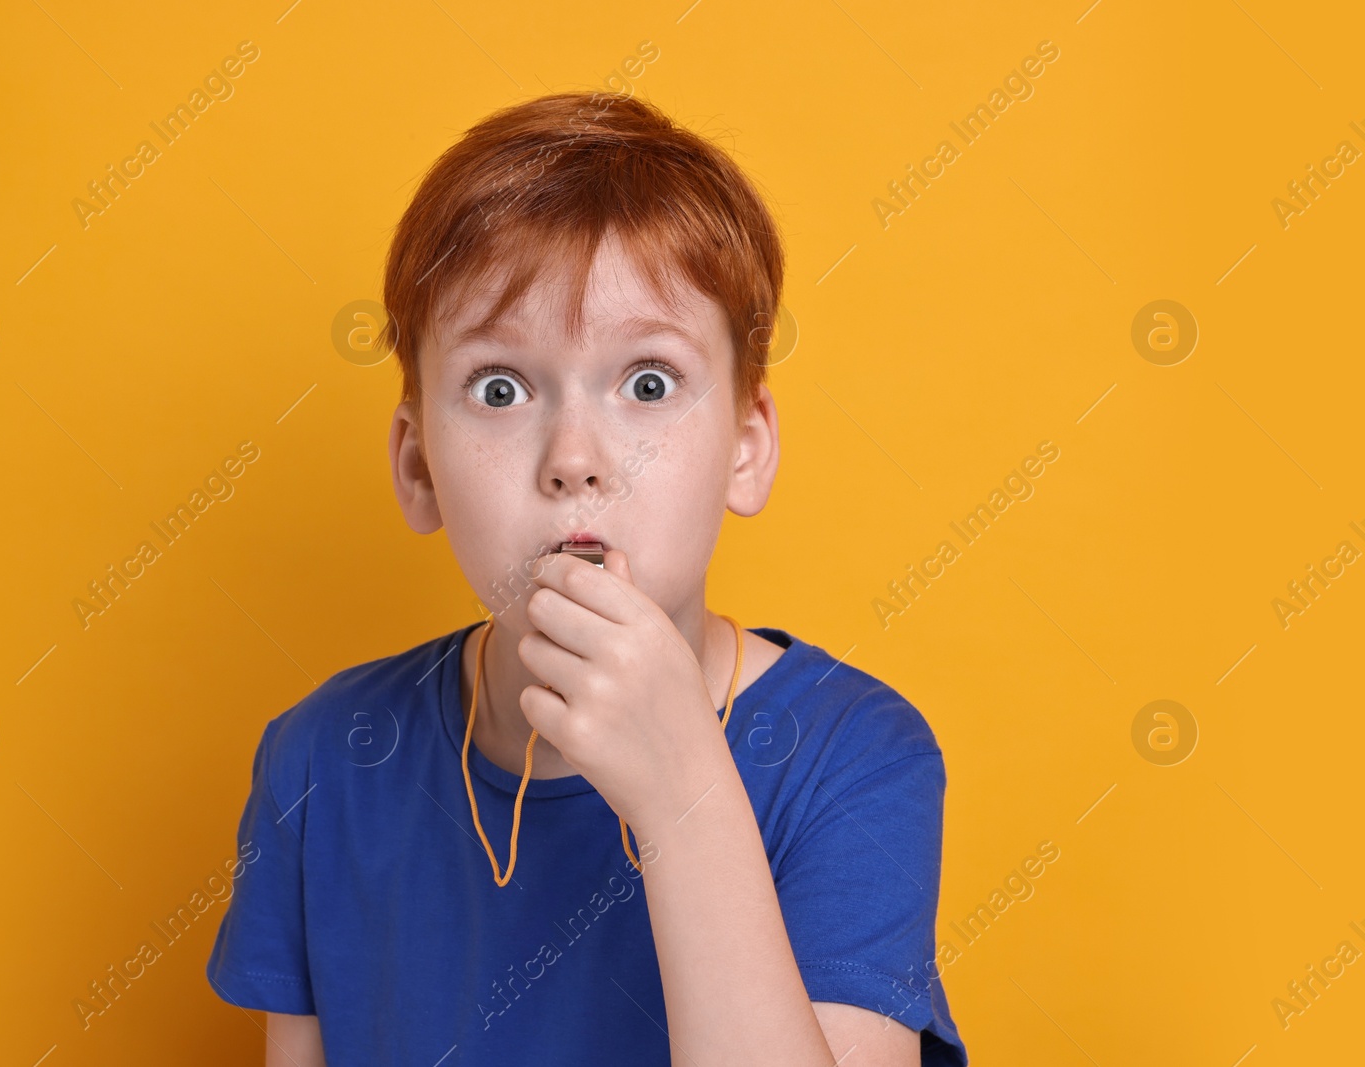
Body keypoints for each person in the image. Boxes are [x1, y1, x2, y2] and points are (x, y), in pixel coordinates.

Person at [205, 89, 968, 1067]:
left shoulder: (854, 756)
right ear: (417, 464)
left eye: (647, 383)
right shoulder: (323, 760)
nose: (574, 457)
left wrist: (683, 788)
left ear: (745, 445)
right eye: (499, 387)